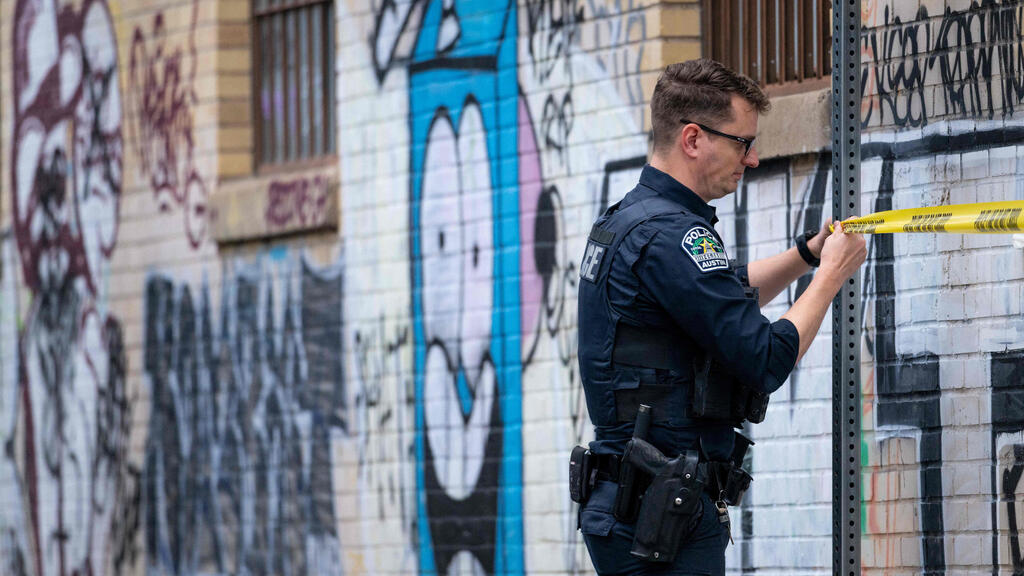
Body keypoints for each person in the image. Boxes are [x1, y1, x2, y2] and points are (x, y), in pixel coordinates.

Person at [574, 58, 867, 575]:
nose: (751, 160)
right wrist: (830, 279)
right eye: (742, 143)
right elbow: (764, 359)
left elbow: (720, 297)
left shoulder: (628, 220)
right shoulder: (674, 235)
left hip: (631, 506)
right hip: (662, 519)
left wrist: (808, 254)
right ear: (693, 139)